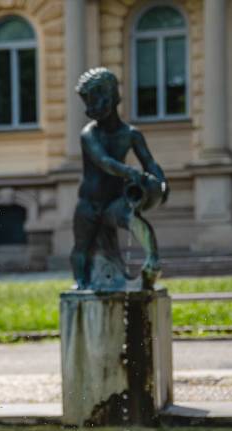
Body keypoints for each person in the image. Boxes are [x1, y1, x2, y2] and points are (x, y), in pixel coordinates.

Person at [71, 67, 168, 289]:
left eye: (94, 101)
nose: (90, 109)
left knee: (134, 220)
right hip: (89, 203)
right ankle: (81, 283)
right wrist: (129, 172)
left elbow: (149, 162)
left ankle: (152, 261)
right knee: (81, 247)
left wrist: (161, 182)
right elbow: (104, 161)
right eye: (87, 103)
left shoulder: (131, 134)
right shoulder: (89, 134)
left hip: (115, 201)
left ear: (111, 98)